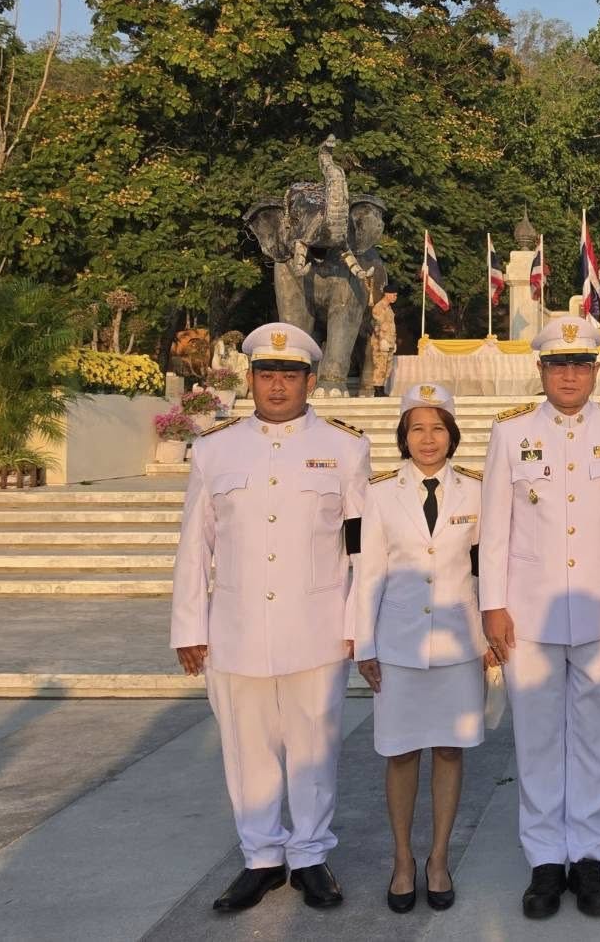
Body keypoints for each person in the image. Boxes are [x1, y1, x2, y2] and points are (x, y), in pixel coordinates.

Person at [170, 322, 371, 913]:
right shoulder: (213, 449)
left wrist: (359, 622)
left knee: (314, 746)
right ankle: (260, 856)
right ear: (251, 378)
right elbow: (193, 546)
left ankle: (310, 855)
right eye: (266, 374)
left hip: (318, 627)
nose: (277, 386)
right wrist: (190, 627)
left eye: (289, 375)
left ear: (310, 380)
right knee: (246, 746)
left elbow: (361, 546)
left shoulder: (345, 448)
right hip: (234, 628)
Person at [479, 315, 600, 920]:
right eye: (559, 364)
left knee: (599, 740)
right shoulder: (509, 434)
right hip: (528, 610)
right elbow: (494, 526)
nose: (570, 374)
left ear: (596, 370)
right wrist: (492, 604)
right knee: (539, 738)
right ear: (542, 370)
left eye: (580, 364)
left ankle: (590, 859)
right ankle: (546, 859)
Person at [354, 382, 494, 914]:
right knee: (401, 752)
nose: (428, 438)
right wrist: (364, 642)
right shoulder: (380, 493)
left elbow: (490, 569)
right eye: (417, 428)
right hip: (399, 644)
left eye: (438, 428)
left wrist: (491, 637)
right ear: (403, 436)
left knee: (450, 751)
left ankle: (437, 858)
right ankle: (402, 859)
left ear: (452, 435)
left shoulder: (476, 491)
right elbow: (367, 573)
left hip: (459, 645)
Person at [368, 282, 399, 397]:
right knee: (380, 366)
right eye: (394, 295)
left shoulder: (389, 308)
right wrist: (382, 340)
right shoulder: (379, 307)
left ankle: (382, 387)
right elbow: (378, 325)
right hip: (380, 342)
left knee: (387, 367)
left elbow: (391, 326)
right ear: (387, 294)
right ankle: (378, 390)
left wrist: (393, 341)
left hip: (389, 341)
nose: (395, 297)